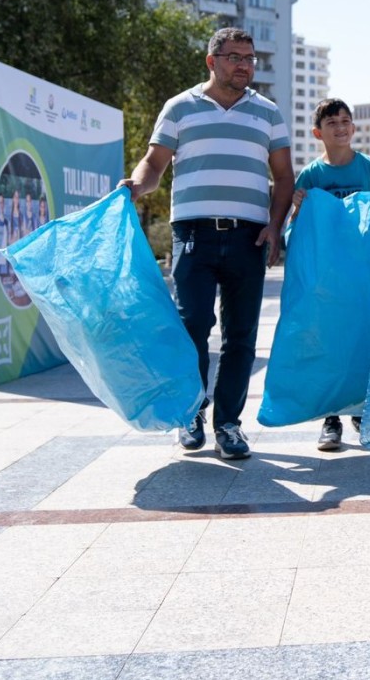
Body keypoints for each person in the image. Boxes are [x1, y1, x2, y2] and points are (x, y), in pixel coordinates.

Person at [121, 27, 293, 460]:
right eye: (235, 57)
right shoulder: (180, 107)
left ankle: (229, 425)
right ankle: (193, 412)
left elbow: (285, 177)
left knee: (241, 336)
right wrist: (137, 187)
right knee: (193, 324)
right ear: (211, 61)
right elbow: (154, 164)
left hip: (248, 236)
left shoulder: (268, 113)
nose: (244, 65)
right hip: (193, 234)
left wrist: (275, 226)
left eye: (250, 58)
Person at [288, 98, 370, 452]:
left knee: (366, 339)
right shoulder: (311, 176)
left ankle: (363, 411)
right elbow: (299, 229)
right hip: (326, 277)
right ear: (318, 132)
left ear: (354, 127)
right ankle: (331, 417)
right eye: (332, 122)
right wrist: (300, 210)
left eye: (346, 121)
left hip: (364, 274)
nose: (340, 127)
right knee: (329, 342)